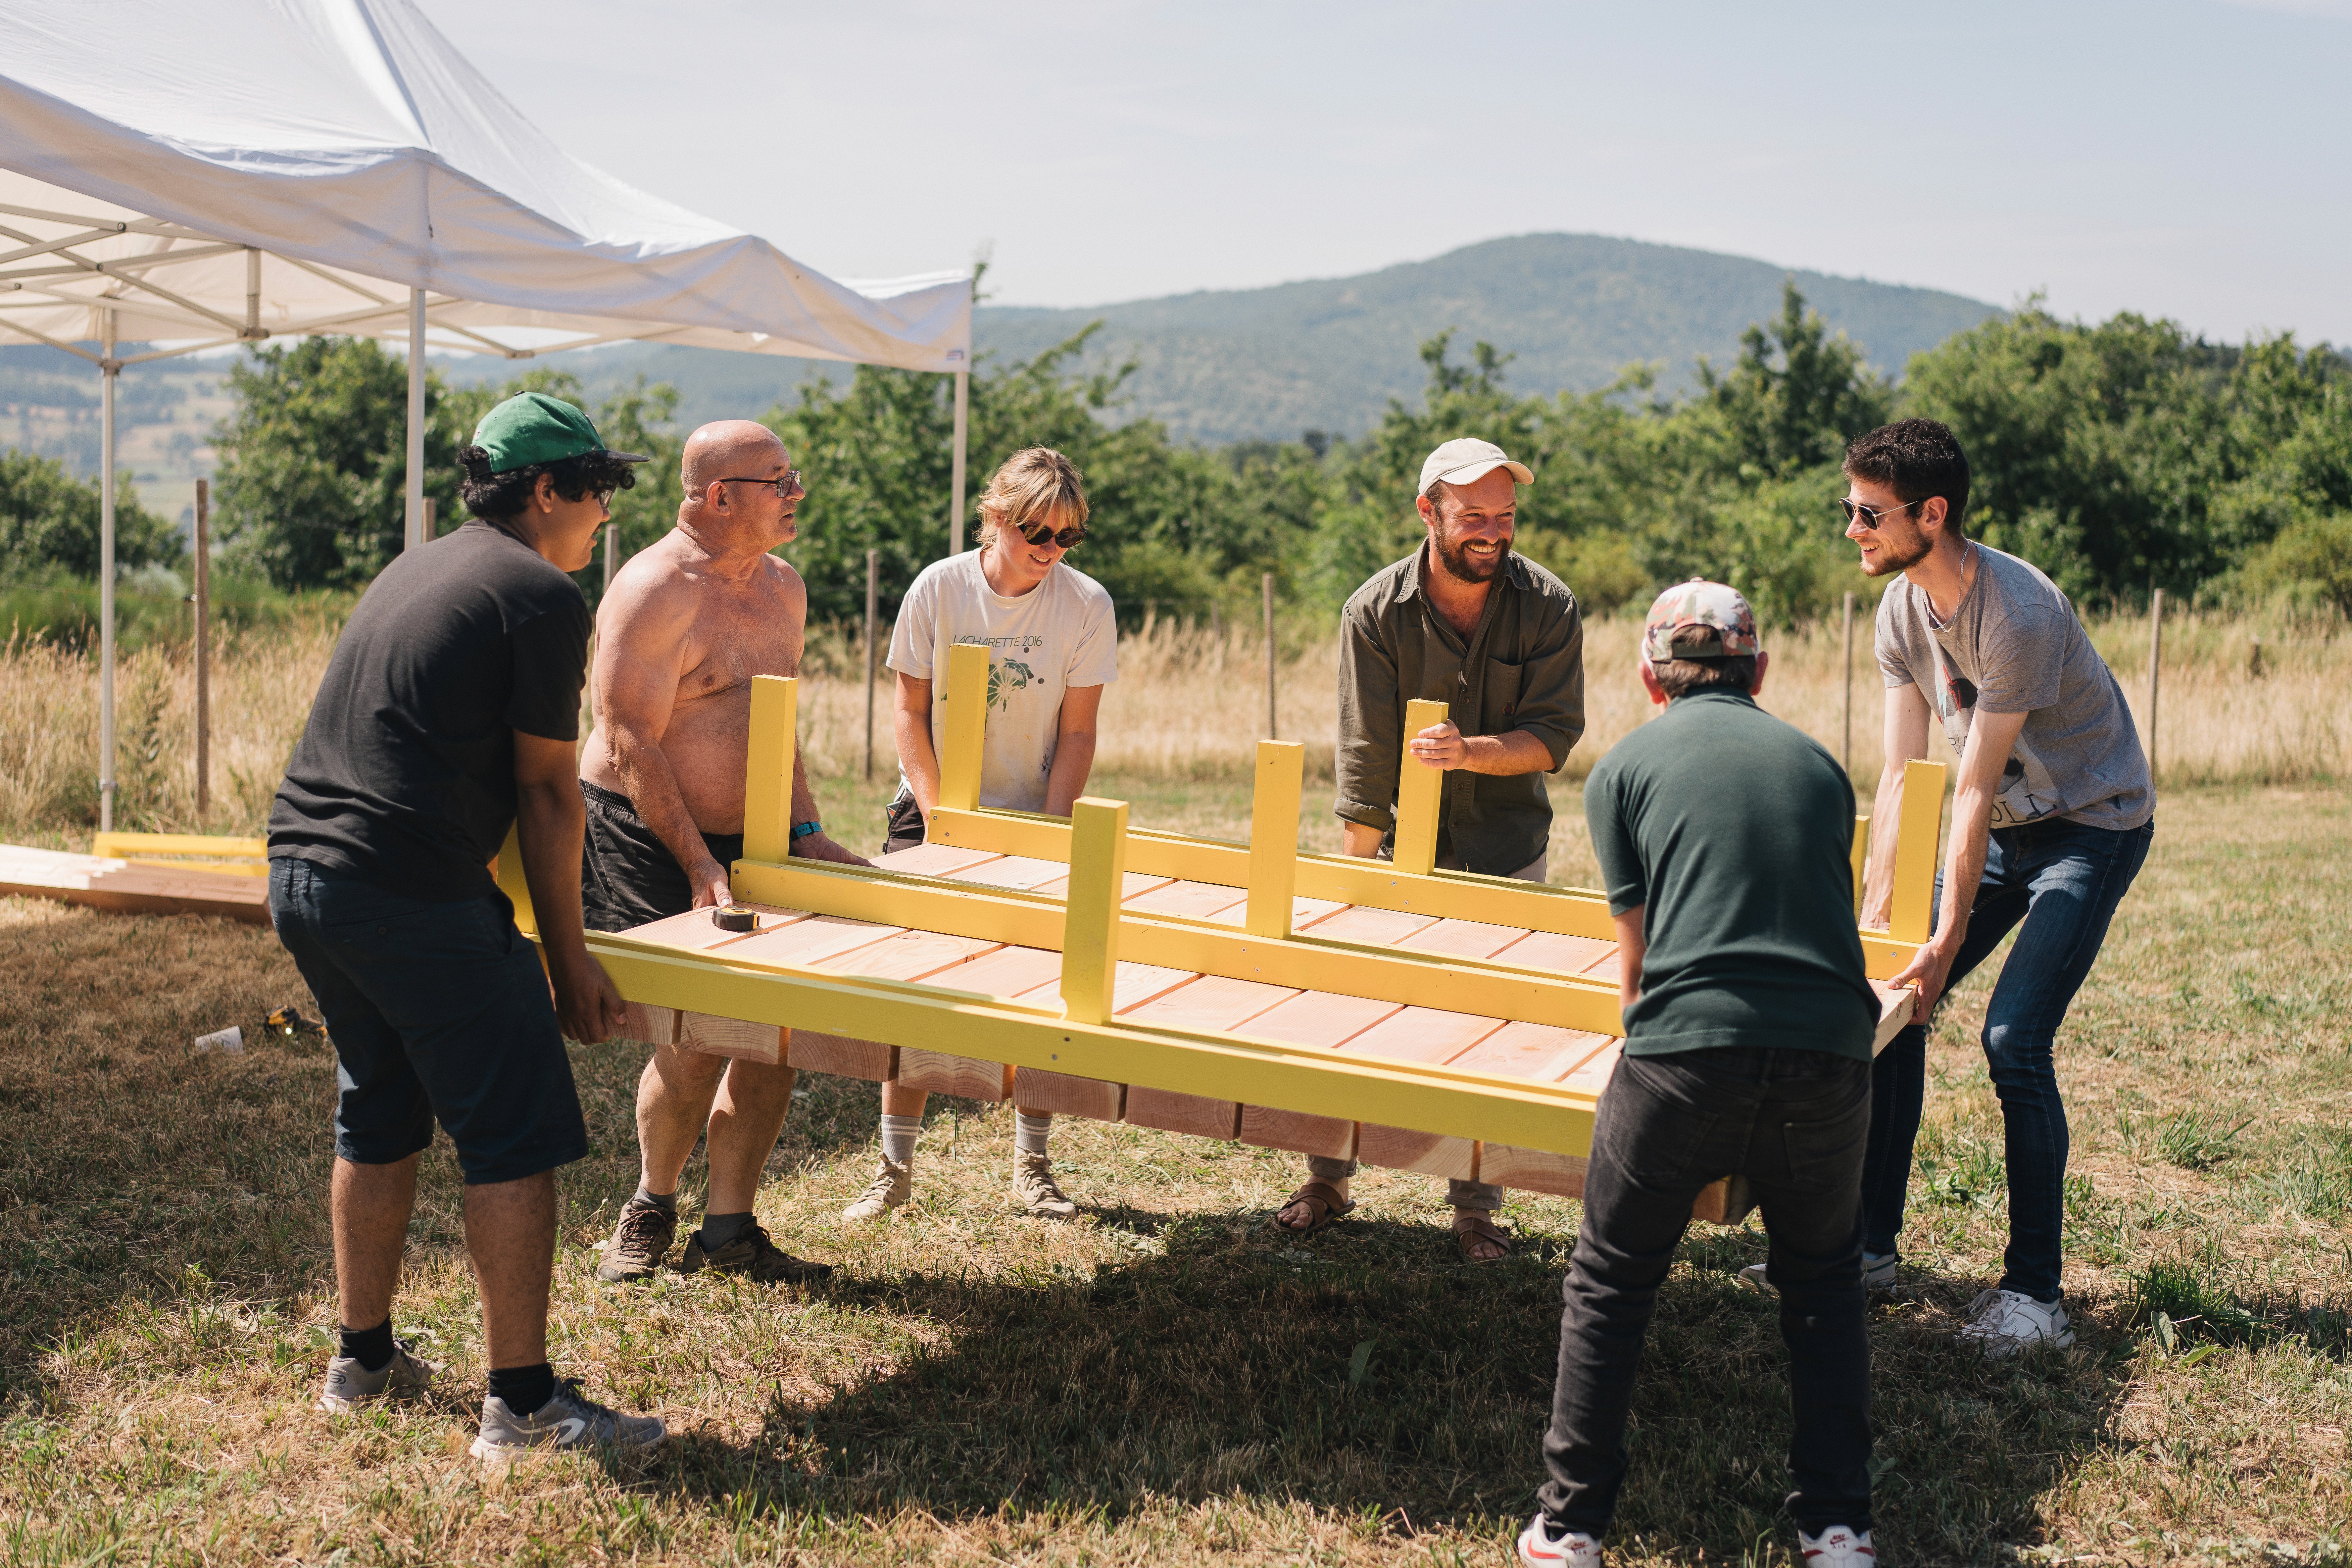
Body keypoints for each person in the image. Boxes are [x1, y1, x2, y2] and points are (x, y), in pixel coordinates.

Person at [268, 391, 665, 1460]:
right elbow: (547, 793)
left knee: (380, 1101)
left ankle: (362, 1363)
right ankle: (526, 1409)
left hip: (303, 872)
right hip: (403, 889)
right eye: (598, 492)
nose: (604, 518)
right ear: (546, 491)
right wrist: (569, 964)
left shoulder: (422, 564)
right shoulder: (536, 594)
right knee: (511, 1133)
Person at [1518, 581, 1880, 1568]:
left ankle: (1571, 1526)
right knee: (1822, 1282)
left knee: (1610, 1280)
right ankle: (1836, 1526)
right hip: (1832, 1057)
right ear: (1758, 673)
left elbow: (1637, 969)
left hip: (1686, 1054)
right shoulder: (1820, 766)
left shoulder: (1624, 768)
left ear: (1649, 677)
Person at [1846, 417, 2153, 1355]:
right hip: (2010, 832)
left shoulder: (2018, 614)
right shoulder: (1901, 610)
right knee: (1893, 1006)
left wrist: (1946, 939)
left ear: (1930, 515)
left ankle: (2036, 1300)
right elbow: (1906, 777)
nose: (1852, 528)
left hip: (2089, 829)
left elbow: (1974, 785)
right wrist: (1888, 923)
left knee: (2014, 1039)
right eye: (1849, 508)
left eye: (1869, 512)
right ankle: (1863, 1251)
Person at [1276, 436, 1585, 1263]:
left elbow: (1554, 739)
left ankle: (1477, 1207)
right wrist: (1355, 882)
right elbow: (1367, 760)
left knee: (1492, 1024)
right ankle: (1327, 1180)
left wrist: (1471, 752)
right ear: (1429, 512)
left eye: (1506, 516)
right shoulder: (1373, 611)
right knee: (1361, 1006)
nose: (1494, 531)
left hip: (1508, 845)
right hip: (1396, 849)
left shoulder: (1549, 603)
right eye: (1475, 515)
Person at [585, 420, 866, 1286]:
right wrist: (702, 863)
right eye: (777, 480)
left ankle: (731, 1227)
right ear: (717, 497)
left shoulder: (785, 588)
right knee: (699, 1030)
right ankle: (650, 1204)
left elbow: (769, 728)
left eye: (793, 476)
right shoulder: (654, 588)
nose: (796, 494)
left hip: (759, 831)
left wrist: (808, 832)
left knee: (776, 1025)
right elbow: (630, 737)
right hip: (649, 822)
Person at [843, 446, 1117, 1222]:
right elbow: (907, 710)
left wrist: (1056, 830)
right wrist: (940, 819)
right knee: (918, 986)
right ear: (995, 517)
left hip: (1034, 814)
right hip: (933, 809)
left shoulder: (1087, 603)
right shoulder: (940, 587)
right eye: (1037, 530)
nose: (1051, 549)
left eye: (1067, 536)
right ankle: (893, 1170)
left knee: (1037, 991)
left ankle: (1033, 1166)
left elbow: (1080, 729)